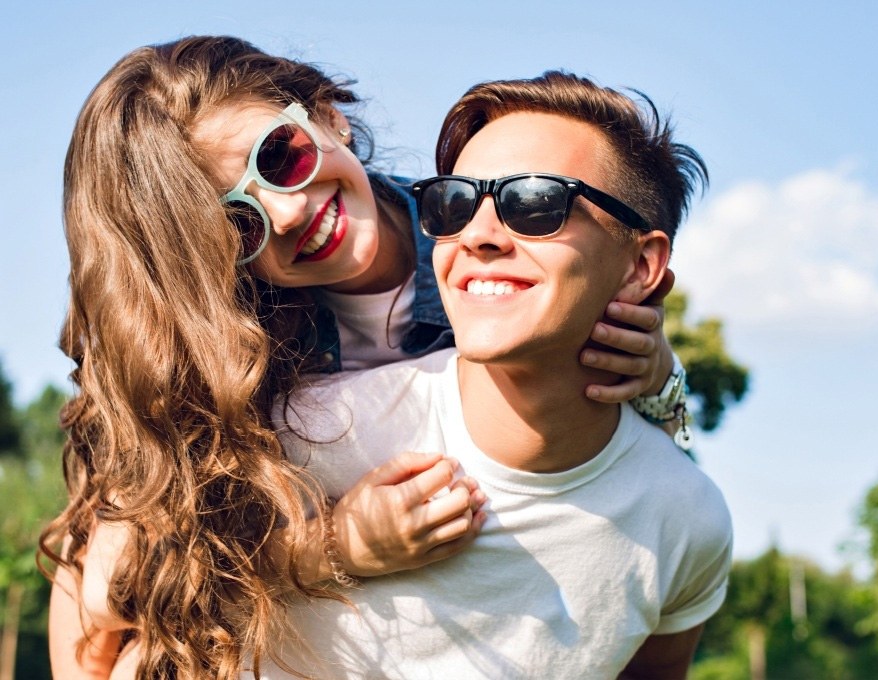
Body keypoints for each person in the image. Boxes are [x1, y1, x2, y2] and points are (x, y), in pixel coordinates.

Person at [41, 37, 683, 678]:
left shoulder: (498, 239)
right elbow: (97, 600)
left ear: (328, 116)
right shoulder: (222, 353)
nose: (287, 213)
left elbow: (631, 473)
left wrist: (659, 379)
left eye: (279, 159)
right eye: (237, 223)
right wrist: (332, 546)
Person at [254, 71, 733, 679]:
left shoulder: (688, 520)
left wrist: (665, 383)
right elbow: (132, 585)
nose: (477, 235)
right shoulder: (307, 435)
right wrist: (328, 546)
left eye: (536, 202)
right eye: (454, 204)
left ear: (642, 266)